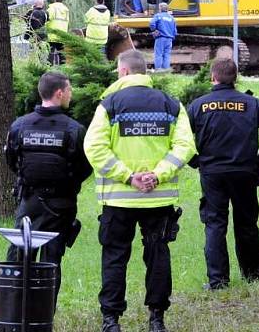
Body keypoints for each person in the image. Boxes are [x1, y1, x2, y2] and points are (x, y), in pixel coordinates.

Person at [84, 50, 196, 332]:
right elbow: (185, 147)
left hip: (118, 200)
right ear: (144, 72)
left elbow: (94, 147)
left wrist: (128, 177)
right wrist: (157, 176)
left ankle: (111, 320)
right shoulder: (171, 105)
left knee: (115, 257)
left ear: (122, 72)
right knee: (158, 255)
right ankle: (156, 318)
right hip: (158, 200)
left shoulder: (109, 104)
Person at [187, 58, 259, 290]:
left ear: (213, 77)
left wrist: (195, 161)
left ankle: (218, 281)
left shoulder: (198, 105)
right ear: (236, 78)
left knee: (215, 224)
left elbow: (179, 137)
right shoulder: (251, 103)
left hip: (212, 173)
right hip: (244, 171)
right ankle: (252, 275)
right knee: (247, 223)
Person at [4, 71, 93, 313]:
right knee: (51, 261)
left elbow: (12, 161)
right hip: (61, 204)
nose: (71, 94)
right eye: (70, 90)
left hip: (28, 202)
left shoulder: (19, 125)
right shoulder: (74, 129)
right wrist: (66, 184)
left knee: (20, 256)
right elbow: (85, 167)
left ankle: (14, 314)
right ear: (59, 92)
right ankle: (43, 317)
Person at [149, 3, 177, 71]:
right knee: (167, 55)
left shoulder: (158, 16)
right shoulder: (171, 18)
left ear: (160, 9)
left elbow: (152, 23)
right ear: (167, 9)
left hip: (161, 38)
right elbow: (175, 31)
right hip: (169, 39)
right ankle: (166, 70)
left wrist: (154, 30)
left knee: (158, 54)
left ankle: (158, 70)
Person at [46, 0, 70, 64]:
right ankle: (63, 68)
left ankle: (49, 67)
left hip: (52, 34)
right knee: (62, 53)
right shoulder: (66, 10)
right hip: (62, 35)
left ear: (55, 0)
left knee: (50, 53)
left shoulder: (52, 8)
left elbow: (47, 19)